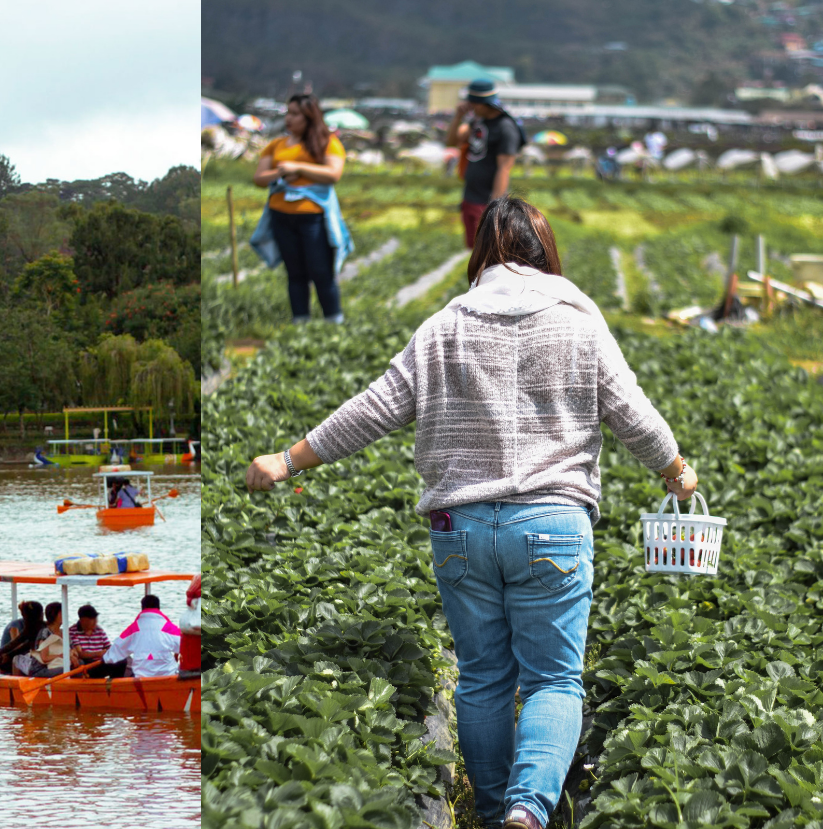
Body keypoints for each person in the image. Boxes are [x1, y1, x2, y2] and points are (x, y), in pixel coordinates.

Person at [244, 196, 698, 829]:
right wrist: (678, 473)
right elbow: (637, 418)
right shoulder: (579, 323)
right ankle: (528, 812)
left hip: (460, 530)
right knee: (553, 682)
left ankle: (490, 815)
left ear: (481, 253)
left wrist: (285, 461)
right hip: (553, 526)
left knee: (484, 678)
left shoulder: (444, 327)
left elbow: (370, 411)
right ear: (546, 252)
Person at [250, 93, 354, 324]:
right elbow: (259, 177)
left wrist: (299, 167)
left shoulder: (328, 143)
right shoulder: (275, 145)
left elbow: (333, 174)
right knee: (295, 272)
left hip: (313, 217)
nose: (289, 118)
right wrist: (281, 172)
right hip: (281, 216)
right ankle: (300, 322)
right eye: (288, 113)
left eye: (295, 114)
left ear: (309, 117)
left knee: (320, 271)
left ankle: (333, 321)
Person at [445, 79, 525, 249]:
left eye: (473, 103)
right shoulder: (477, 121)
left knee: (487, 254)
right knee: (474, 250)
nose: (470, 107)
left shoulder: (505, 127)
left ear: (484, 104)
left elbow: (504, 168)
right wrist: (458, 116)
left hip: (486, 202)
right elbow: (452, 141)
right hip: (470, 197)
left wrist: (494, 210)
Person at [103, 595, 181, 678]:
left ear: (142, 608)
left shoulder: (134, 628)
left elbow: (117, 649)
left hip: (141, 677)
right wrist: (176, 653)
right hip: (167, 675)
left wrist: (105, 659)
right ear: (158, 608)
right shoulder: (169, 627)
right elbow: (186, 645)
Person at [0, 601, 45, 674]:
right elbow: (17, 644)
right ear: (41, 614)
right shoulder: (32, 628)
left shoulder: (36, 628)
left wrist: (2, 655)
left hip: (40, 663)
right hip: (41, 660)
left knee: (16, 659)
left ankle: (16, 682)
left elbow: (22, 645)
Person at [68, 605, 125, 679]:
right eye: (92, 619)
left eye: (96, 618)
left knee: (122, 661)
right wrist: (98, 653)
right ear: (83, 620)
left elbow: (109, 647)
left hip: (101, 662)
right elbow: (80, 654)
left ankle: (114, 685)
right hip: (86, 665)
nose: (95, 621)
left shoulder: (99, 630)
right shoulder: (73, 631)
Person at [13, 602, 65, 678]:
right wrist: (61, 656)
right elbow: (44, 658)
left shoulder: (64, 632)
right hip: (41, 669)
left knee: (79, 664)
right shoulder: (45, 632)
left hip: (58, 664)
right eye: (62, 613)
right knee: (65, 670)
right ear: (57, 615)